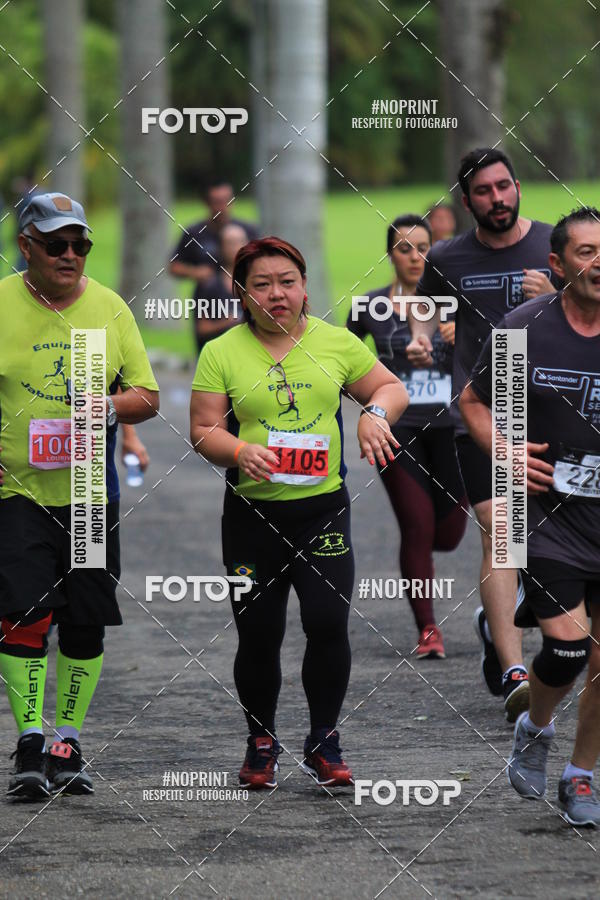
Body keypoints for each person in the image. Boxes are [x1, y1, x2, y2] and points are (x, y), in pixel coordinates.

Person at [190, 236, 408, 789]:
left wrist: (374, 414)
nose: (276, 294)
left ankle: (324, 740)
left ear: (304, 287)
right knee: (258, 635)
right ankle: (261, 741)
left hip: (322, 514)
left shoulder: (335, 344)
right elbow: (203, 430)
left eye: (287, 282)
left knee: (328, 622)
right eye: (261, 285)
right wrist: (240, 451)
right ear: (241, 293)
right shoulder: (221, 352)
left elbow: (388, 385)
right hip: (251, 518)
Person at [0, 192, 159, 799]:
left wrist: (108, 406)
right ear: (26, 248)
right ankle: (31, 740)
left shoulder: (110, 309)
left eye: (81, 245)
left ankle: (67, 738)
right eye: (57, 245)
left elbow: (147, 394)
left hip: (90, 492)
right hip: (17, 491)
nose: (71, 256)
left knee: (86, 619)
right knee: (23, 611)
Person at [460, 206, 600, 826]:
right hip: (546, 511)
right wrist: (507, 450)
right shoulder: (526, 328)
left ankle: (582, 775)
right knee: (568, 651)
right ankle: (535, 727)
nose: (599, 262)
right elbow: (477, 402)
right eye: (586, 252)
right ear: (558, 264)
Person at [407, 147, 557, 722]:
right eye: (484, 192)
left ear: (517, 186)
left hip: (554, 412)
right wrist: (423, 337)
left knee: (548, 541)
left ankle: (507, 617)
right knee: (503, 529)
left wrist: (554, 296)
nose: (498, 199)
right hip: (483, 410)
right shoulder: (447, 256)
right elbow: (425, 307)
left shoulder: (555, 242)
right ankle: (518, 672)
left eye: (505, 187)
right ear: (466, 201)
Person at [347, 215, 467, 658]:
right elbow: (339, 365)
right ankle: (428, 629)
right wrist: (386, 375)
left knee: (449, 535)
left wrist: (466, 337)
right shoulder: (368, 306)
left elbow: (502, 353)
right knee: (416, 527)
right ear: (390, 254)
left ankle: (427, 566)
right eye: (404, 248)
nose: (415, 257)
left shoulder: (458, 303)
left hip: (454, 429)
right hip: (396, 432)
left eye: (423, 248)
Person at [169, 180, 259, 301]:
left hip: (242, 297)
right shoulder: (195, 233)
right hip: (207, 300)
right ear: (206, 203)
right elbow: (174, 266)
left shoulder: (247, 230)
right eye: (217, 202)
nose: (222, 207)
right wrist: (196, 272)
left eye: (227, 201)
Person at [191, 222, 248, 357]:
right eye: (230, 242)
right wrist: (228, 322)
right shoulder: (209, 285)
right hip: (217, 355)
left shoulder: (256, 283)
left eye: (239, 242)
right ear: (221, 247)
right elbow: (201, 328)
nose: (234, 247)